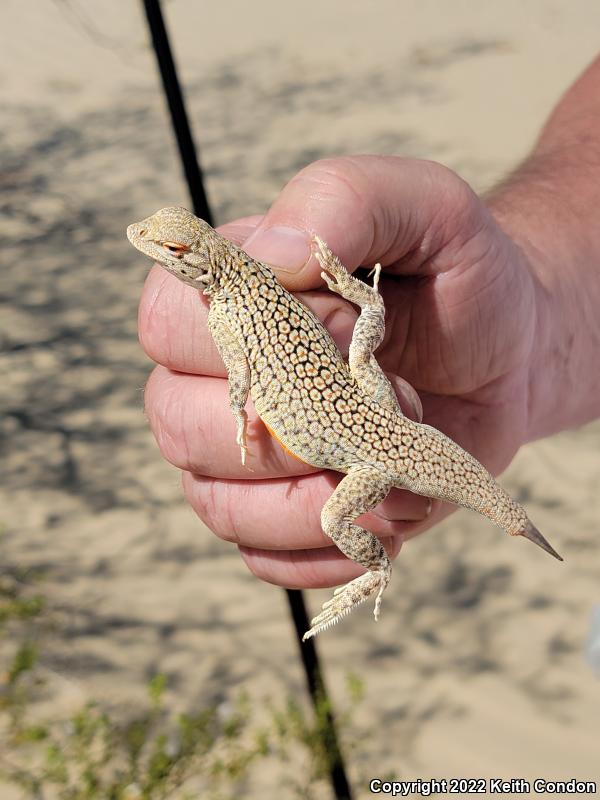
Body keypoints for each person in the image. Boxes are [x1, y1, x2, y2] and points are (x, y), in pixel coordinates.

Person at [138, 55, 600, 592]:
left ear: (199, 252)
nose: (149, 243)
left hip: (369, 448)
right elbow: (246, 370)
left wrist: (240, 412)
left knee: (333, 519)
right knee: (360, 349)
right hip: (376, 416)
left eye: (168, 246)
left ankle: (374, 572)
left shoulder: (226, 309)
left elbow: (238, 377)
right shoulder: (250, 276)